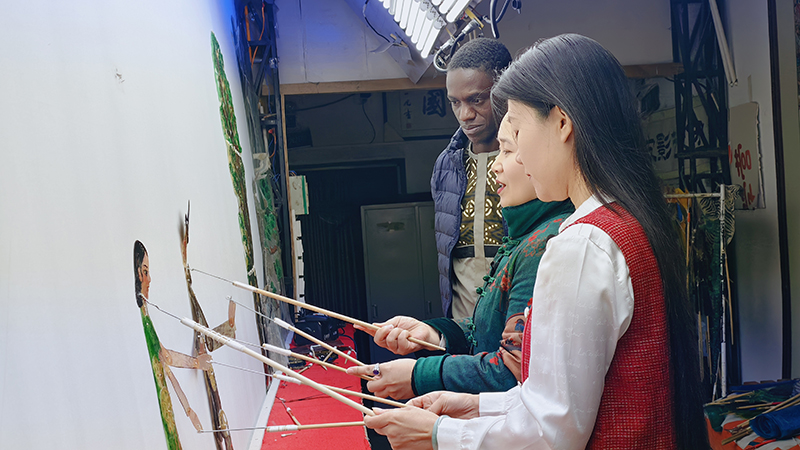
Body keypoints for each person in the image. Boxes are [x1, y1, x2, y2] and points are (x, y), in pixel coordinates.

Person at [362, 34, 709, 450]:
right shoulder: (624, 219)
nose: (514, 159)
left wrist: (438, 434)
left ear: (562, 124)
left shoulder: (582, 244)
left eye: (515, 137)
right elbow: (557, 399)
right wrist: (477, 406)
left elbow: (553, 431)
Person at [348, 118, 573, 399]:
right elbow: (489, 331)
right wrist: (431, 334)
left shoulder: (544, 244)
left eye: (506, 150)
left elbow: (513, 371)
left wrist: (420, 375)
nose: (494, 166)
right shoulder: (527, 236)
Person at [432, 37, 512, 320]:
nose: (465, 115)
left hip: (520, 326)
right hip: (462, 326)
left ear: (505, 92)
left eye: (476, 100)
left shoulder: (531, 160)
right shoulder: (446, 166)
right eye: (455, 103)